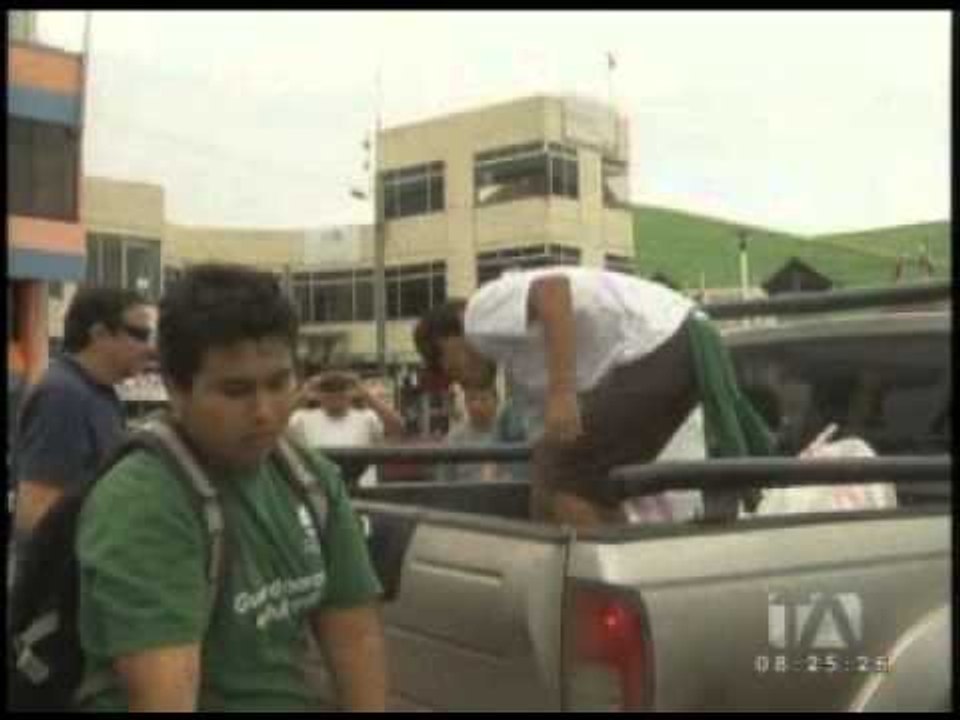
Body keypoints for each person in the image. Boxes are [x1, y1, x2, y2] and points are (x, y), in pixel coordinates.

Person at [74, 264, 387, 711]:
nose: (264, 411)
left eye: (279, 383)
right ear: (176, 390)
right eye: (235, 391)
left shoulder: (311, 479)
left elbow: (356, 639)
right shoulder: (143, 501)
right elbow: (165, 698)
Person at [414, 266, 772, 529]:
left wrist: (562, 391)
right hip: (673, 345)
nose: (459, 383)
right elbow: (548, 447)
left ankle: (613, 578)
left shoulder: (477, 315)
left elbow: (553, 290)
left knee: (568, 474)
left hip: (660, 340)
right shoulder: (520, 365)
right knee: (570, 471)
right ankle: (594, 559)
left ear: (448, 342)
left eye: (448, 369)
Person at [10, 286, 155, 538]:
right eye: (140, 335)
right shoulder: (63, 396)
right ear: (99, 334)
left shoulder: (100, 393)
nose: (150, 348)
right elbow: (36, 513)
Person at [289, 371, 405, 488]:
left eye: (341, 389)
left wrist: (366, 394)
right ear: (317, 394)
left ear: (351, 393)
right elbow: (277, 420)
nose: (335, 394)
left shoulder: (367, 417)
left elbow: (397, 428)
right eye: (328, 389)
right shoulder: (301, 418)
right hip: (317, 489)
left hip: (362, 489)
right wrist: (304, 392)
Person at [437, 384, 514, 483]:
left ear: (496, 401)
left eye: (484, 399)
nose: (477, 405)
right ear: (465, 403)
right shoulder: (453, 438)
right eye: (472, 399)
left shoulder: (509, 433)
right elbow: (444, 481)